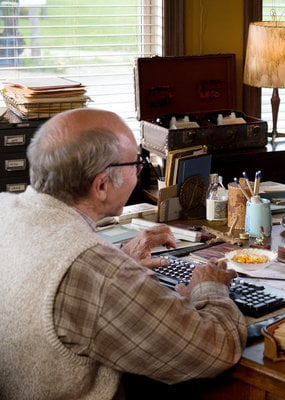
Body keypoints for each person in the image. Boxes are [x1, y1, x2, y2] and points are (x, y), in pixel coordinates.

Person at [0, 108, 247, 399]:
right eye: (138, 163)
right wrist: (210, 289)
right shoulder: (92, 268)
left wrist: (121, 261)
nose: (140, 170)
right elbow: (216, 349)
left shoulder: (6, 210)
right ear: (101, 185)